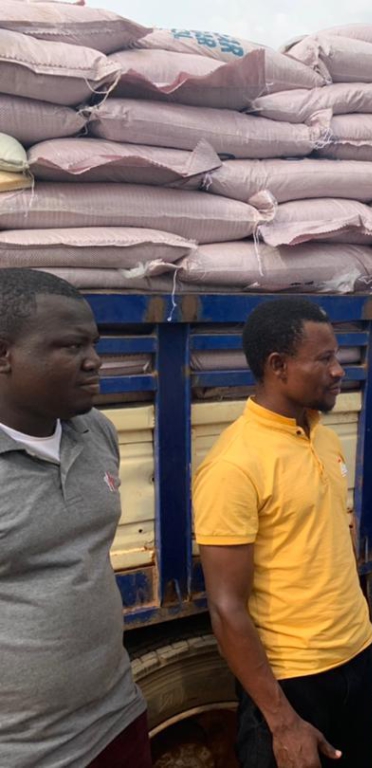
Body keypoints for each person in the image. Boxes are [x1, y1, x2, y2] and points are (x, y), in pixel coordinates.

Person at [193, 297, 372, 768]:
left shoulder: (325, 436)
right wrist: (281, 721)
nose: (339, 370)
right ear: (277, 366)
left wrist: (370, 644)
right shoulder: (234, 465)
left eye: (336, 356)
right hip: (293, 683)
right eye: (324, 359)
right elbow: (226, 609)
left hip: (355, 661)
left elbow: (333, 551)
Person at [0, 269, 150, 767]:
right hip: (27, 751)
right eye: (70, 346)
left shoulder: (95, 431)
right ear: (4, 355)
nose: (94, 361)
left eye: (94, 344)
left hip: (117, 716)